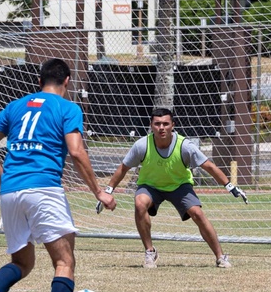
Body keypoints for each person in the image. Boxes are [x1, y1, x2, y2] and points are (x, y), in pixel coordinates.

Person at [0, 58, 115, 292]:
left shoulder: (16, 106)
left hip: (11, 192)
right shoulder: (68, 108)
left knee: (23, 263)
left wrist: (4, 178)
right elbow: (76, 152)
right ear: (67, 81)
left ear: (39, 81)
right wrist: (99, 191)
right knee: (64, 262)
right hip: (44, 188)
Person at [100, 108, 248, 269]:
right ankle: (150, 252)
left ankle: (221, 256)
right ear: (151, 126)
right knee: (139, 203)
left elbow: (208, 166)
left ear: (173, 125)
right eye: (157, 124)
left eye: (165, 124)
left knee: (197, 213)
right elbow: (123, 168)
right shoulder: (142, 145)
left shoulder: (185, 146)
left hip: (180, 186)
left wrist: (230, 186)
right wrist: (107, 191)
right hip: (150, 186)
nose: (161, 127)